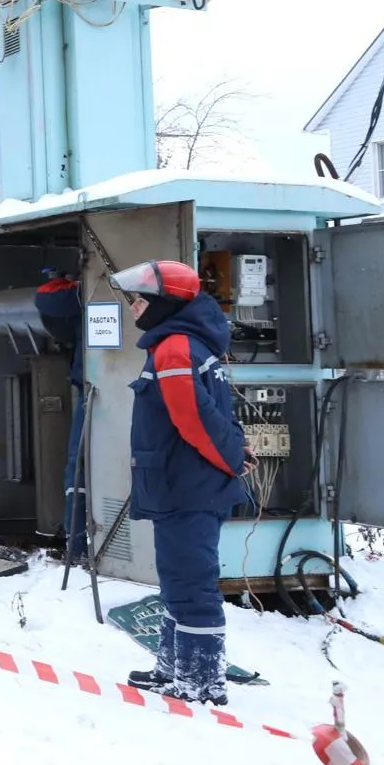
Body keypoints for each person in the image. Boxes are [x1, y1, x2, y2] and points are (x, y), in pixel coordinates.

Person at [113, 258, 254, 707]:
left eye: (138, 299)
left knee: (191, 584)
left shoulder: (175, 348)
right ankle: (173, 669)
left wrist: (232, 457)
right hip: (183, 485)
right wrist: (236, 453)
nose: (132, 307)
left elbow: (195, 419)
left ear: (163, 303)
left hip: (186, 488)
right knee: (178, 578)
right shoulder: (184, 345)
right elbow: (215, 413)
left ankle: (199, 681)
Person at [32, 269, 88, 563]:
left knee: (78, 467)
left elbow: (45, 298)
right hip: (103, 388)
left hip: (95, 391)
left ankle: (77, 548)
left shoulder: (88, 289)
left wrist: (71, 281)